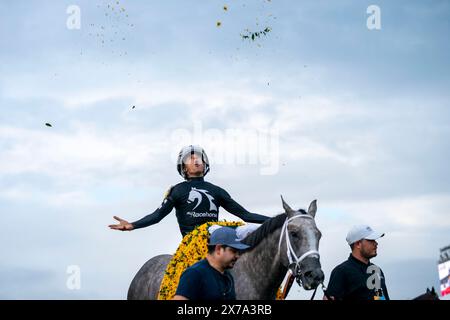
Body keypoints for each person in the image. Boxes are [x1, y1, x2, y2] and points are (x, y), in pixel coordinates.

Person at [109, 145, 270, 237]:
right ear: (183, 167)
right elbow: (157, 216)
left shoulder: (217, 191)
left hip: (220, 237)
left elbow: (246, 216)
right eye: (190, 158)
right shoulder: (178, 190)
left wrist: (281, 220)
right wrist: (132, 225)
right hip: (194, 242)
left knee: (253, 230)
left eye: (199, 157)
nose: (196, 160)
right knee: (219, 230)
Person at [172, 226, 249, 300]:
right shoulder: (194, 274)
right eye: (234, 251)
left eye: (238, 252)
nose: (237, 256)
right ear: (218, 249)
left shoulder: (228, 277)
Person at [324, 225, 390, 300]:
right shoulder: (341, 272)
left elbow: (379, 297)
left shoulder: (376, 270)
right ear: (358, 244)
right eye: (371, 240)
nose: (376, 243)